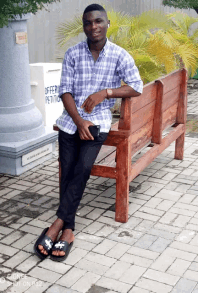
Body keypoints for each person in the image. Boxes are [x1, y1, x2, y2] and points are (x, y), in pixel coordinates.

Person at [34, 3, 143, 261]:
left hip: (99, 122)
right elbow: (65, 90)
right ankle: (69, 228)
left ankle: (58, 225)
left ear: (107, 24)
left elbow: (136, 86)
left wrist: (106, 92)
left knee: (82, 169)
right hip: (71, 121)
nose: (93, 27)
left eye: (98, 21)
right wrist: (79, 120)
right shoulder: (73, 54)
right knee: (67, 169)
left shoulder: (119, 55)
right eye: (88, 22)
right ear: (84, 26)